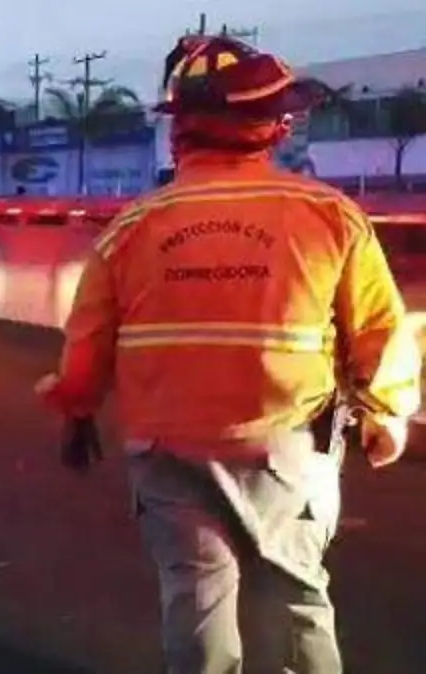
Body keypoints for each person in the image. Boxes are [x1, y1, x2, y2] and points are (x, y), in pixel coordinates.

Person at [35, 35, 422, 674]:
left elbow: (86, 349)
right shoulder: (328, 214)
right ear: (271, 125)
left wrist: (75, 409)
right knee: (296, 598)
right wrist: (386, 414)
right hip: (287, 448)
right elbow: (379, 331)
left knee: (195, 600)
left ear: (181, 127)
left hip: (168, 452)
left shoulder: (130, 229)